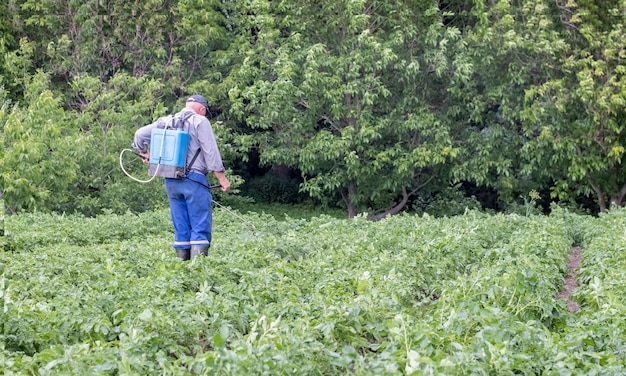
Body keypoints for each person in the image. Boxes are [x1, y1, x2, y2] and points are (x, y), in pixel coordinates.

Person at [132, 94, 231, 260]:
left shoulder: (166, 121)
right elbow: (210, 151)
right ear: (201, 109)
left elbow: (140, 134)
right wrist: (222, 178)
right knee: (200, 223)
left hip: (171, 181)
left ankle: (181, 267)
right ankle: (197, 268)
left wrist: (144, 152)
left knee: (180, 225)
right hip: (194, 180)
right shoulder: (200, 121)